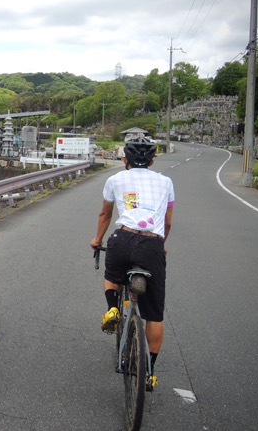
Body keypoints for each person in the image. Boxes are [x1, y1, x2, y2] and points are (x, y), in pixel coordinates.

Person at [89, 136, 175, 389]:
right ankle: (149, 372)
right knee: (154, 315)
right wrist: (161, 244)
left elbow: (105, 213)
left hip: (122, 238)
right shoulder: (166, 181)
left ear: (125, 160)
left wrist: (97, 239)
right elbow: (167, 222)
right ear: (152, 160)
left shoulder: (115, 179)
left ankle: (112, 309)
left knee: (112, 277)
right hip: (152, 245)